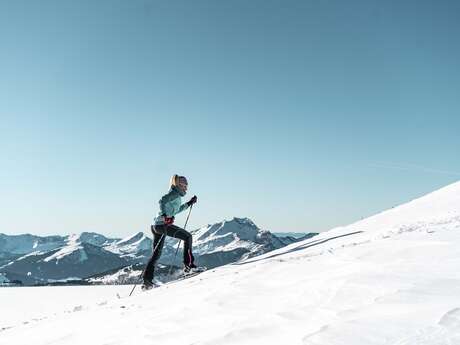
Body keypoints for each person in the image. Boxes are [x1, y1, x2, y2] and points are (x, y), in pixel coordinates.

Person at [142, 174, 199, 290]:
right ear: (178, 184)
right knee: (187, 237)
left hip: (156, 226)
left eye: (186, 185)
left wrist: (189, 203)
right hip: (162, 225)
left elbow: (177, 210)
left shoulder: (176, 196)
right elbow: (161, 201)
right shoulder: (173, 193)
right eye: (184, 184)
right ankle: (189, 267)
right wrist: (164, 216)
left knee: (156, 254)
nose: (186, 187)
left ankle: (147, 282)